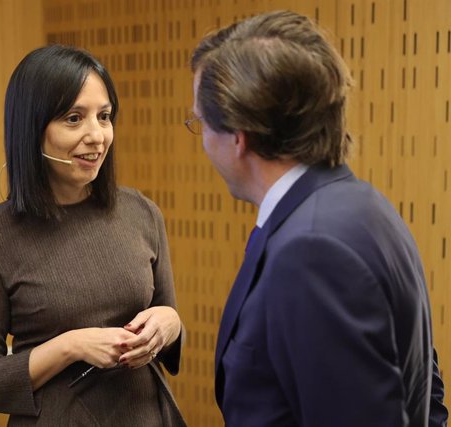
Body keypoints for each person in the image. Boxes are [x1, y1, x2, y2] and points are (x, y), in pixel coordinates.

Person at [188, 10, 448, 427]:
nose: (201, 139)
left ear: (239, 136)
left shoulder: (310, 250)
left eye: (199, 122)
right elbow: (424, 388)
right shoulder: (366, 206)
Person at [0, 45, 186, 426]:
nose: (96, 136)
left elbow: (166, 319)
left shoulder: (141, 212)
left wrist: (171, 324)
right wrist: (70, 346)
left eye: (105, 116)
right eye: (74, 118)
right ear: (31, 129)